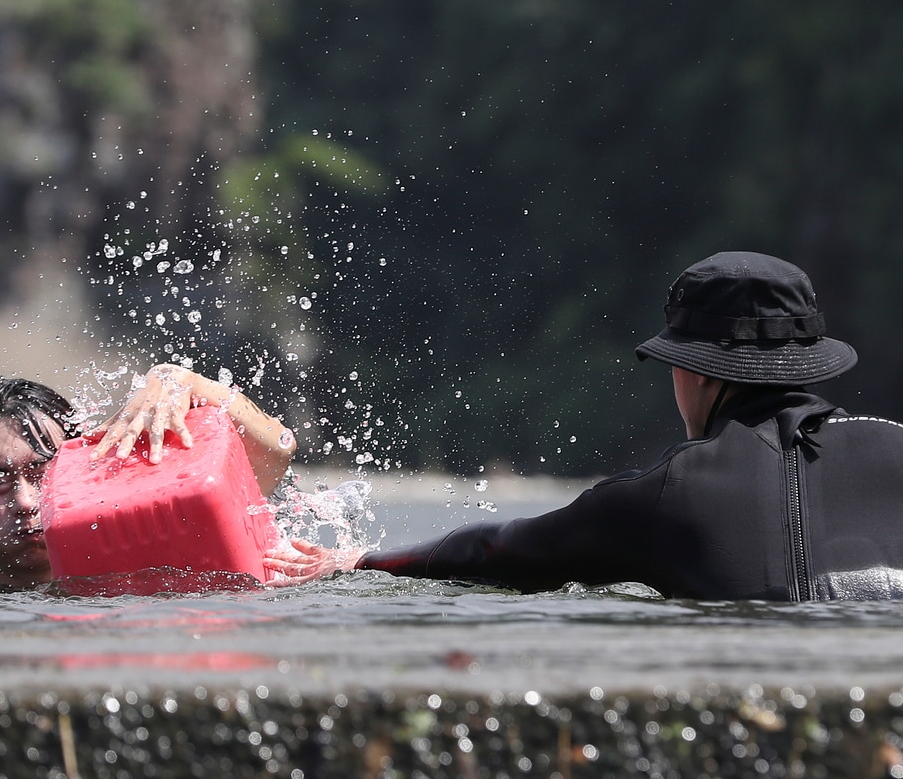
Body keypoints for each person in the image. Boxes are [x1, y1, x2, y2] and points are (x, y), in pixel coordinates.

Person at [268, 251, 903, 601]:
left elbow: (501, 551)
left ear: (700, 373)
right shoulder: (895, 445)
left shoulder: (665, 496)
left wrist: (361, 559)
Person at [0, 363, 296, 591]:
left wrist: (180, 380)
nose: (24, 501)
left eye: (42, 472)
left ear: (77, 469)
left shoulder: (151, 519)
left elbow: (278, 450)